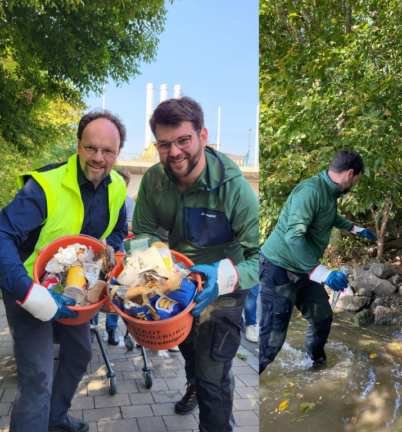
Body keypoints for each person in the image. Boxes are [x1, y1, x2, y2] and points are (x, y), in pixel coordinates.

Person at [132, 97, 259, 431]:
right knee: (190, 349)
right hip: (177, 282)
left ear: (203, 136)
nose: (174, 152)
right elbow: (143, 233)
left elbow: (261, 260)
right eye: (164, 144)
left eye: (183, 140)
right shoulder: (153, 181)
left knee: (214, 374)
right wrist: (147, 278)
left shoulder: (237, 191)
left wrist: (222, 278)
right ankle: (196, 385)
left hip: (226, 286)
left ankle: (214, 414)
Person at [0, 111, 128, 432]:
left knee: (79, 354)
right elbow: (2, 234)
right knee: (37, 380)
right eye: (91, 148)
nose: (99, 158)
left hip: (74, 290)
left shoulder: (117, 189)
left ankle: (55, 419)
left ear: (117, 153)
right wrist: (29, 293)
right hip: (27, 288)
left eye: (108, 151)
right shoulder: (46, 184)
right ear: (78, 145)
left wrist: (110, 277)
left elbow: (113, 237)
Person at [259, 148, 377, 373]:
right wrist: (324, 274)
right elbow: (293, 237)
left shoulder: (328, 193)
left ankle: (314, 368)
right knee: (271, 341)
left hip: (304, 270)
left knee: (322, 316)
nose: (355, 184)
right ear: (350, 173)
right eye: (357, 179)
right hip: (279, 270)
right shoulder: (310, 191)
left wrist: (356, 228)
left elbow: (328, 217)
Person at [93, 167, 135, 346]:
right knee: (94, 287)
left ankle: (111, 330)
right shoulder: (98, 197)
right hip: (96, 251)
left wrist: (109, 246)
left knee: (115, 290)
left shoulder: (127, 202)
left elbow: (128, 226)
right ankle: (92, 328)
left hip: (116, 251)